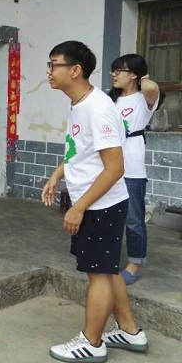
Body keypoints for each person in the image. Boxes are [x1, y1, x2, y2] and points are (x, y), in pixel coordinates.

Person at [41, 41, 148, 362]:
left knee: (98, 274)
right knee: (108, 269)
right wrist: (57, 174)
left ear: (75, 70)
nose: (49, 71)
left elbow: (115, 168)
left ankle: (92, 342)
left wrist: (79, 206)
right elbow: (80, 149)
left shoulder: (98, 108)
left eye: (54, 64)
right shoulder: (80, 102)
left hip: (101, 205)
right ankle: (130, 331)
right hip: (94, 202)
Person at [107, 54, 160, 285]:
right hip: (108, 166)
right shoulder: (111, 100)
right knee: (108, 215)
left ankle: (134, 264)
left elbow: (151, 87)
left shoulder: (144, 99)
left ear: (134, 75)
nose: (114, 74)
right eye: (113, 70)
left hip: (132, 169)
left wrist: (143, 74)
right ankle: (106, 258)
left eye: (120, 70)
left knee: (133, 219)